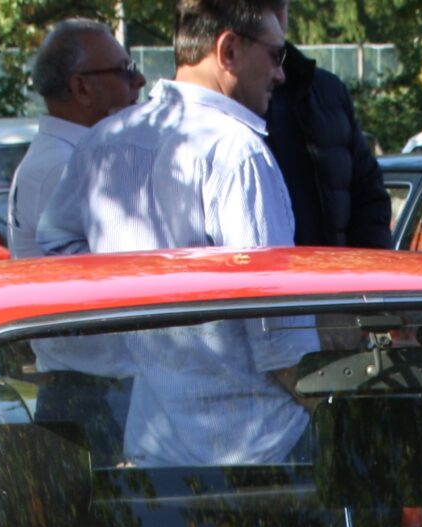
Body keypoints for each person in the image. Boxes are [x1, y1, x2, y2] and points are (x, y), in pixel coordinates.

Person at [36, 0, 315, 465]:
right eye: (275, 55)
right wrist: (331, 411)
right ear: (228, 51)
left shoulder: (104, 141)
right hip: (260, 448)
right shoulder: (235, 151)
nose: (280, 74)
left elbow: (56, 254)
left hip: (155, 447)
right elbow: (278, 333)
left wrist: (138, 337)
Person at [8, 18, 144, 259]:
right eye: (125, 70)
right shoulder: (63, 166)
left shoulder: (62, 156)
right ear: (81, 88)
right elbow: (123, 260)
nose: (140, 80)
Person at [263, 0, 392, 247]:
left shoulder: (327, 92)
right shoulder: (213, 107)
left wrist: (365, 267)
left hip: (334, 270)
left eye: (278, 6)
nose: (271, 18)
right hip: (264, 270)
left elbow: (370, 198)